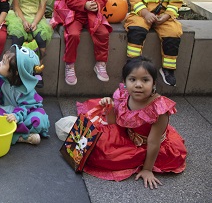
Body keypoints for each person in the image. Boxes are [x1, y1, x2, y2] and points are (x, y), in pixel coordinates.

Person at [77, 56, 187, 189]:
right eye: (132, 79)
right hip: (127, 133)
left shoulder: (159, 109)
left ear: (154, 84)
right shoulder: (123, 95)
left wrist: (147, 169)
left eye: (145, 80)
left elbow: (153, 142)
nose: (138, 85)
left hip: (149, 147)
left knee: (108, 158)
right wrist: (110, 108)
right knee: (95, 144)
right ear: (124, 82)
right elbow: (115, 124)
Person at [125, 0, 182, 86]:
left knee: (173, 33)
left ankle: (168, 68)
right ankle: (133, 62)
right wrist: (145, 13)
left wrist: (167, 15)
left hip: (164, 17)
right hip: (141, 14)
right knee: (136, 30)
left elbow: (175, 2)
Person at [0, 44, 49, 145]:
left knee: (39, 119)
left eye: (3, 62)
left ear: (15, 72)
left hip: (23, 114)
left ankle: (10, 134)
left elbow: (27, 106)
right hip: (4, 110)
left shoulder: (26, 89)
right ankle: (22, 136)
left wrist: (16, 116)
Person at [5, 0, 55, 87]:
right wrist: (24, 21)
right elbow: (16, 7)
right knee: (17, 39)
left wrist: (34, 23)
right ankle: (17, 69)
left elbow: (41, 8)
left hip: (37, 18)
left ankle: (38, 69)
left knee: (41, 39)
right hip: (19, 17)